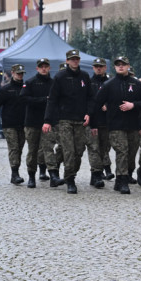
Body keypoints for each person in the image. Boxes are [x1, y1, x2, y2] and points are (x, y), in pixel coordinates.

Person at [96, 55, 141, 193]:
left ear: (128, 66)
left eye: (123, 64)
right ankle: (123, 181)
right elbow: (97, 103)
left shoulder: (137, 84)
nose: (121, 66)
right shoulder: (109, 85)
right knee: (122, 151)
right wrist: (95, 121)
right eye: (118, 64)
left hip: (133, 125)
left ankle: (120, 179)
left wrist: (134, 105)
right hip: (115, 126)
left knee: (131, 154)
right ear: (114, 67)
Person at [43, 50, 92, 194]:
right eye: (72, 59)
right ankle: (70, 179)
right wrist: (48, 120)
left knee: (79, 151)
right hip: (64, 119)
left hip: (80, 120)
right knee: (68, 150)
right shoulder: (60, 77)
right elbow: (52, 100)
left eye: (77, 59)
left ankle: (68, 172)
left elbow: (91, 97)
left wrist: (89, 113)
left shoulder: (85, 76)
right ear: (67, 61)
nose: (75, 61)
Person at [0, 64, 28, 185]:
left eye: (21, 73)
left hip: (23, 123)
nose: (20, 75)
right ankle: (15, 173)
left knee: (20, 148)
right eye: (18, 73)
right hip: (9, 123)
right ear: (13, 73)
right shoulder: (5, 89)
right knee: (14, 148)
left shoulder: (26, 88)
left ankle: (16, 170)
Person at [20, 58, 54, 188]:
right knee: (33, 150)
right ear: (37, 68)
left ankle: (51, 173)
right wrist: (43, 100)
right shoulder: (30, 82)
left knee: (47, 149)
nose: (44, 69)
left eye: (46, 66)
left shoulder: (53, 83)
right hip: (32, 122)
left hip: (48, 121)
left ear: (49, 68)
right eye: (41, 67)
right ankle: (31, 176)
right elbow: (24, 99)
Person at [86, 58, 111, 188]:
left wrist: (108, 105)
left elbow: (117, 98)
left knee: (103, 149)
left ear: (105, 67)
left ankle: (96, 174)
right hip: (93, 120)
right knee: (93, 148)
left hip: (106, 121)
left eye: (101, 66)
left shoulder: (110, 82)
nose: (98, 68)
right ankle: (96, 174)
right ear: (93, 68)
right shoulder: (89, 82)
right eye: (96, 66)